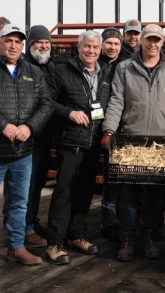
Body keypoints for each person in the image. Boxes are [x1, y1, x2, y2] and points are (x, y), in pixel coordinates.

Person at [102, 23, 165, 262]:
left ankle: (149, 236)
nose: (153, 44)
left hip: (163, 144)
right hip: (131, 143)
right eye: (149, 39)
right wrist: (109, 130)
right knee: (128, 192)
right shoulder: (125, 68)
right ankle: (127, 236)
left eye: (157, 40)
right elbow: (116, 101)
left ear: (162, 42)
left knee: (157, 195)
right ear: (142, 40)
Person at [0, 24, 54, 276]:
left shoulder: (34, 72)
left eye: (18, 41)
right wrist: (3, 126)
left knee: (18, 204)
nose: (13, 45)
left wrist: (30, 127)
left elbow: (46, 104)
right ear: (0, 43)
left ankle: (16, 247)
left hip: (23, 152)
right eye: (8, 40)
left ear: (22, 45)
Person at [44, 31, 113, 264]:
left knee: (84, 191)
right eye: (87, 47)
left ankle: (77, 235)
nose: (91, 51)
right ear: (78, 47)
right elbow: (48, 102)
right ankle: (54, 242)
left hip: (93, 143)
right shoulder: (61, 70)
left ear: (100, 49)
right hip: (70, 141)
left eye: (95, 47)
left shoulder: (106, 72)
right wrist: (69, 112)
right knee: (64, 192)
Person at [18, 25, 58, 249]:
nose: (43, 46)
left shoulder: (51, 67)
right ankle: (23, 228)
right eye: (38, 42)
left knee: (38, 182)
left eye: (46, 43)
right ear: (30, 45)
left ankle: (31, 221)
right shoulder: (24, 67)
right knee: (26, 184)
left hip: (45, 136)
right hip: (28, 135)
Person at [98, 26, 125, 238]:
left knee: (119, 176)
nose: (113, 47)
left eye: (116, 43)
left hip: (119, 127)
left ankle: (120, 220)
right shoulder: (94, 64)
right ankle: (107, 221)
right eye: (109, 43)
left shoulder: (125, 66)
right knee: (109, 177)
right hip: (96, 127)